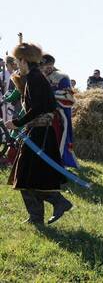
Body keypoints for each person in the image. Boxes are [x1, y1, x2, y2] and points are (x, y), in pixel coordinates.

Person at [5, 43, 72, 225]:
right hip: (37, 131)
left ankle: (58, 202)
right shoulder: (33, 77)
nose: (17, 65)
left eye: (18, 61)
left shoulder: (35, 78)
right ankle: (37, 216)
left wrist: (17, 123)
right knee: (30, 176)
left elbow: (39, 107)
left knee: (26, 175)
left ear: (24, 60)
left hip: (40, 133)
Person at [40, 54, 79, 168]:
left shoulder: (61, 77)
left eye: (50, 65)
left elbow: (68, 98)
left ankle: (58, 162)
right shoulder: (39, 77)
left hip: (58, 114)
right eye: (45, 65)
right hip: (41, 113)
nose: (48, 68)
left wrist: (51, 95)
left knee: (58, 138)